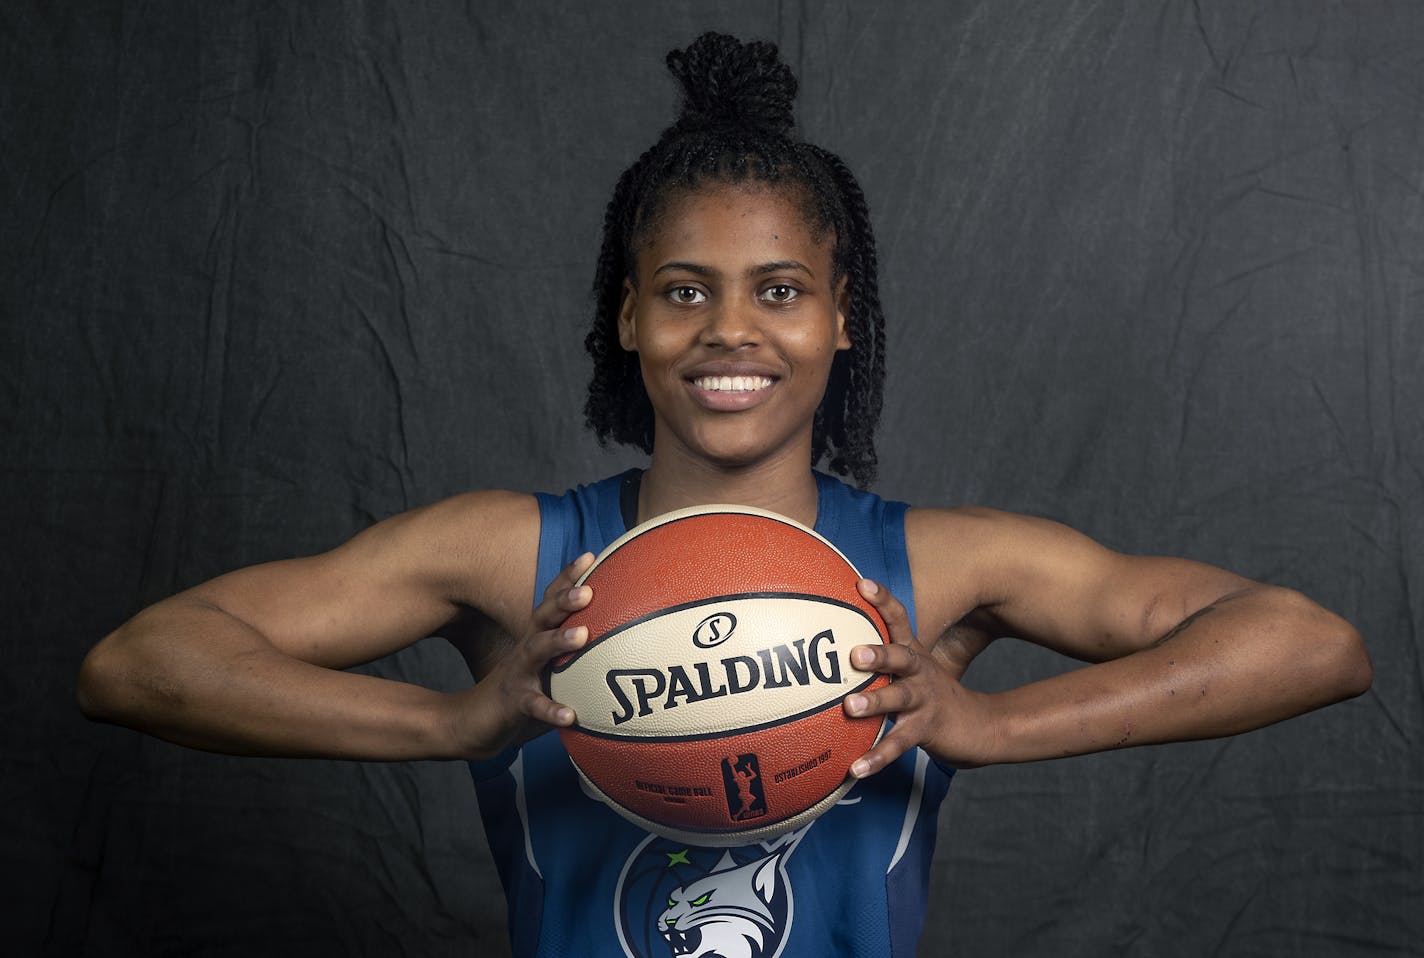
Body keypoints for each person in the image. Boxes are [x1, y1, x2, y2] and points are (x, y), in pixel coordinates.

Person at [77, 32, 1371, 958]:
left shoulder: (940, 566)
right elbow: (142, 661)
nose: (728, 331)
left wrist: (994, 724)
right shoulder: (517, 552)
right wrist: (452, 721)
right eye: (685, 288)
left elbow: (1312, 642)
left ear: (841, 317)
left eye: (780, 290)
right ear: (629, 314)